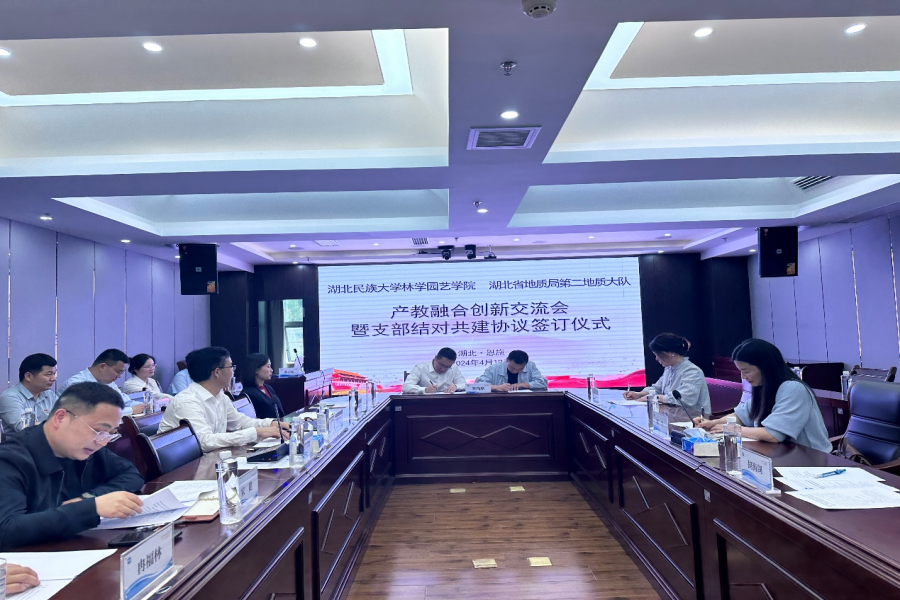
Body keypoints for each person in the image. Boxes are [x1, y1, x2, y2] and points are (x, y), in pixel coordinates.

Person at [0, 382, 145, 551]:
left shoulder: (86, 448)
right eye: (99, 430)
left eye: (110, 433)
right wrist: (90, 508)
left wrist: (89, 498)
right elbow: (6, 530)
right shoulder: (9, 459)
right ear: (60, 418)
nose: (103, 442)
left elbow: (131, 474)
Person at [694, 339, 831, 452]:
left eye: (746, 371)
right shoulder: (765, 387)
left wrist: (732, 429)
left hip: (810, 461)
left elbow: (773, 435)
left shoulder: (793, 389)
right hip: (780, 454)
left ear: (765, 367)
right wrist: (713, 423)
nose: (743, 377)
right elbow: (741, 416)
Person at [158, 347, 289, 453]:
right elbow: (204, 442)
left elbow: (240, 423)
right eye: (231, 367)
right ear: (217, 372)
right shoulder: (187, 401)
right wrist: (256, 432)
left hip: (211, 460)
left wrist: (270, 424)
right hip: (185, 470)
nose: (233, 371)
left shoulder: (220, 396)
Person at [622, 333, 711, 417]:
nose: (656, 359)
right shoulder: (669, 368)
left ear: (671, 353)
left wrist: (655, 398)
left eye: (658, 355)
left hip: (692, 418)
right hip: (673, 415)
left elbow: (685, 400)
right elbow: (657, 388)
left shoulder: (692, 371)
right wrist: (640, 394)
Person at [59, 349, 144, 416]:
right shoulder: (76, 384)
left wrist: (143, 406)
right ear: (102, 366)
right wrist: (131, 410)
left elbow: (125, 402)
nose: (119, 376)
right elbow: (92, 414)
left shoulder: (108, 382)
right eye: (118, 372)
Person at [0, 353, 59, 432]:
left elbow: (64, 417)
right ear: (28, 376)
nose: (53, 378)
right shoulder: (9, 397)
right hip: (20, 440)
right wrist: (56, 425)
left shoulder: (50, 395)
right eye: (48, 374)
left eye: (54, 374)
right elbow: (25, 428)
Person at [402, 347, 467, 394]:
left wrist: (456, 386)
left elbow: (464, 384)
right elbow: (406, 387)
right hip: (424, 403)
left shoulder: (453, 368)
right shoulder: (420, 368)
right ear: (435, 358)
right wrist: (425, 390)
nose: (443, 369)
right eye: (441, 365)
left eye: (447, 367)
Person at [475, 350, 548, 392]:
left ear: (526, 364)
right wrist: (497, 387)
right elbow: (477, 386)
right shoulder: (494, 368)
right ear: (507, 360)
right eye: (512, 368)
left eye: (520, 369)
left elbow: (542, 383)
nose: (515, 371)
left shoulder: (530, 366)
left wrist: (522, 385)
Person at [241, 353, 286, 419]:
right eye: (268, 366)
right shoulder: (248, 393)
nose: (271, 370)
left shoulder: (268, 387)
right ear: (256, 370)